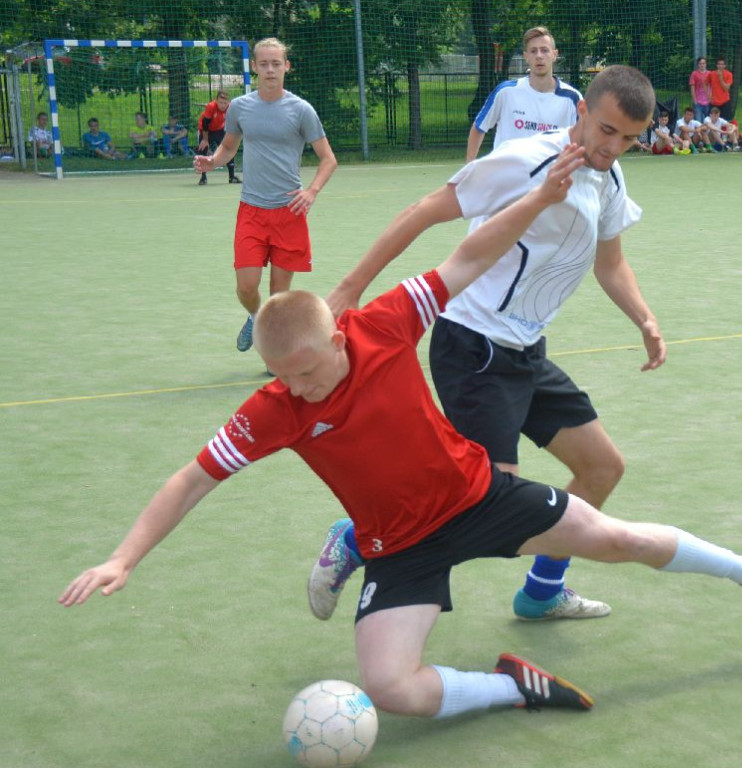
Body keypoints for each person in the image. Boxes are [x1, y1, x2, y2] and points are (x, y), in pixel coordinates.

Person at [60, 147, 742, 723]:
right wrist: (123, 556)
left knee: (619, 538)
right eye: (281, 379)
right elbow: (191, 478)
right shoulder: (274, 409)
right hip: (399, 545)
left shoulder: (385, 325)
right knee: (392, 688)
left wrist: (539, 198)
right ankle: (509, 686)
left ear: (337, 339)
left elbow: (468, 253)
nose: (295, 391)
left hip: (479, 495)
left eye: (305, 374)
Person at [323, 65, 666, 623]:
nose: (615, 147)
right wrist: (349, 288)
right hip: (473, 345)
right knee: (489, 505)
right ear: (581, 112)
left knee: (602, 469)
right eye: (606, 131)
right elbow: (424, 211)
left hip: (526, 352)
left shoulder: (611, 177)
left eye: (629, 138)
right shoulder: (524, 160)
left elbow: (612, 263)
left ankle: (541, 592)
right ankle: (359, 540)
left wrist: (644, 319)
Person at [193, 38, 338, 356]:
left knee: (278, 296)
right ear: (254, 67)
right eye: (264, 63)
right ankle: (256, 319)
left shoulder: (302, 110)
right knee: (247, 287)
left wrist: (311, 191)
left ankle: (276, 356)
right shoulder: (241, 108)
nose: (270, 69)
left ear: (286, 67)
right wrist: (212, 162)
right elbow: (228, 147)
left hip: (289, 213)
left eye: (276, 63)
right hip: (252, 211)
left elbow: (328, 159)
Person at [466, 26, 581, 163]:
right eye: (533, 51)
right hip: (508, 181)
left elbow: (585, 140)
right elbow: (479, 127)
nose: (539, 56)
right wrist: (469, 168)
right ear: (526, 56)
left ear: (554, 54)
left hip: (549, 181)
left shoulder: (572, 99)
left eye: (544, 50)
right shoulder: (506, 92)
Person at [197, 90, 240, 185]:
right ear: (216, 101)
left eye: (225, 103)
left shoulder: (230, 107)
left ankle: (232, 177)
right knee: (203, 149)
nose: (223, 105)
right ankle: (203, 178)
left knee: (229, 148)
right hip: (205, 130)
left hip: (219, 130)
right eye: (221, 102)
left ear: (228, 102)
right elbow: (205, 124)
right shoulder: (211, 107)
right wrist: (205, 140)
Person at [709, 57, 734, 121]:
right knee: (713, 121)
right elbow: (705, 84)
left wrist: (720, 78)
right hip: (714, 103)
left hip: (725, 102)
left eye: (722, 64)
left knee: (726, 121)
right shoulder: (711, 74)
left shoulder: (729, 74)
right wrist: (708, 95)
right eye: (719, 64)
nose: (720, 66)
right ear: (716, 65)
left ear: (725, 65)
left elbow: (726, 89)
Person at [688, 57, 712, 123]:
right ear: (698, 65)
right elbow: (692, 87)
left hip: (707, 102)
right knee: (698, 122)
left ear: (706, 64)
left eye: (703, 63)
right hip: (698, 102)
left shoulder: (710, 74)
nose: (702, 65)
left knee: (708, 122)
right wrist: (694, 100)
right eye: (700, 63)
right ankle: (698, 133)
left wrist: (710, 98)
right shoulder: (694, 74)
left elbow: (712, 87)